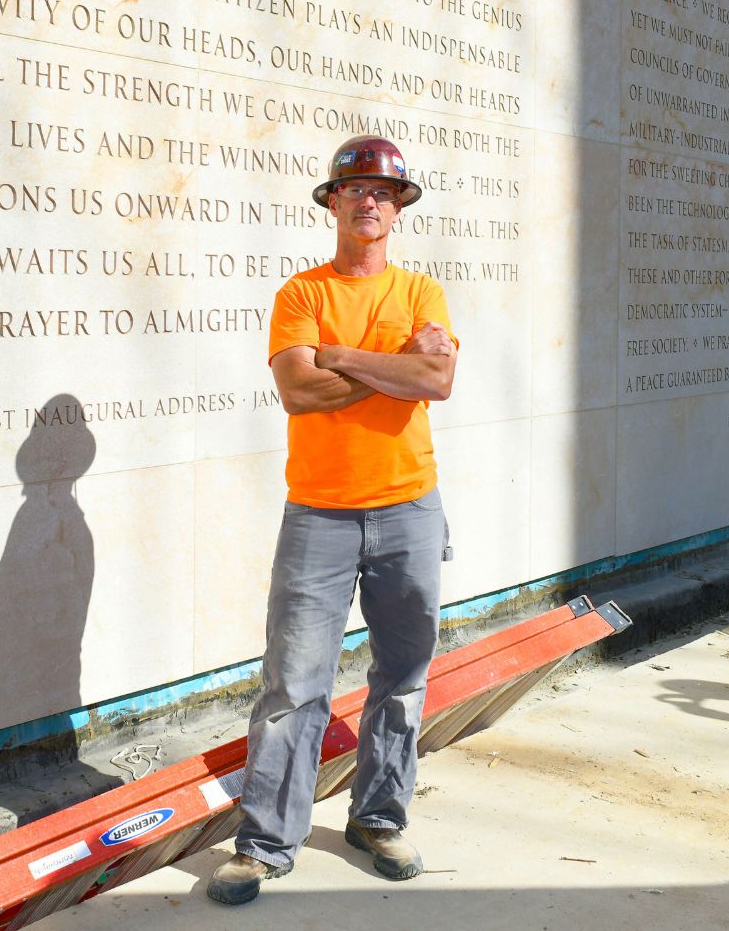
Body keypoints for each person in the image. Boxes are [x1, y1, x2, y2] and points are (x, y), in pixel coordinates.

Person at [207, 135, 458, 906]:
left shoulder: (420, 292)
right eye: (355, 189)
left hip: (409, 505)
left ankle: (378, 819)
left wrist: (339, 356)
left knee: (404, 674)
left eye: (383, 192)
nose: (369, 201)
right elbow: (300, 393)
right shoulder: (301, 294)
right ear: (334, 201)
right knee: (293, 683)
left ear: (399, 207)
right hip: (319, 512)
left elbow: (438, 377)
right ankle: (264, 844)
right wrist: (388, 369)